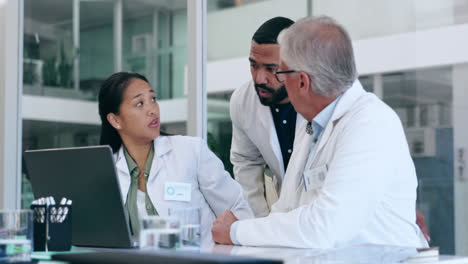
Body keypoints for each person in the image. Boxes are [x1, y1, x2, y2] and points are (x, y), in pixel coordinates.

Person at [212, 16, 429, 249]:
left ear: (302, 82)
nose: (261, 79)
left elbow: (325, 226)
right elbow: (285, 210)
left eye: (280, 72)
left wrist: (236, 231)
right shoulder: (313, 127)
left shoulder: (371, 124)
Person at [98, 72, 253, 242]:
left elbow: (238, 208)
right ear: (115, 120)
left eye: (153, 99)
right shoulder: (107, 171)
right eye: (140, 103)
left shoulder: (191, 151)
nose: (152, 109)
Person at [230, 17, 303, 218]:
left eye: (271, 69)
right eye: (253, 65)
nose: (259, 78)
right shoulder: (243, 100)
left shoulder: (318, 100)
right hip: (282, 215)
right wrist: (259, 223)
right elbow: (246, 163)